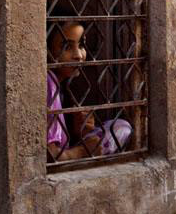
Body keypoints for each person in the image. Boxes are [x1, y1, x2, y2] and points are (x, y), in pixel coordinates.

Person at [47, 21, 132, 161]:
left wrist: (79, 131)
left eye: (81, 45)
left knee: (121, 126)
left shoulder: (62, 86)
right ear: (47, 50)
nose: (78, 55)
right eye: (66, 47)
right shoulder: (49, 80)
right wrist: (80, 152)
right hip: (62, 160)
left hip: (67, 151)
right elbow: (49, 155)